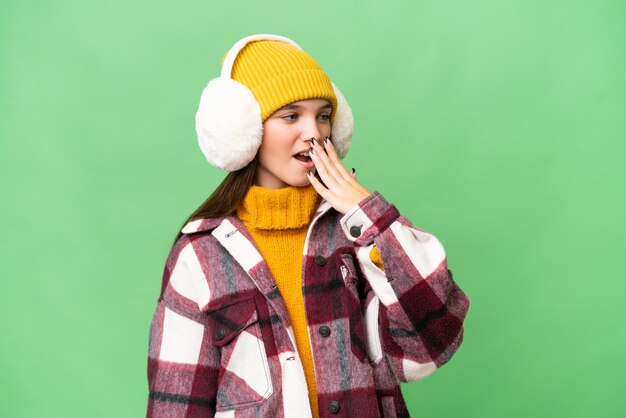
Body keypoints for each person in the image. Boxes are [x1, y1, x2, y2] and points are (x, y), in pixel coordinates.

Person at [146, 34, 470, 418]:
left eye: (323, 115)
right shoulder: (201, 255)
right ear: (245, 131)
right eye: (290, 115)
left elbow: (434, 340)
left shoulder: (357, 237)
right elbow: (176, 406)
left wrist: (367, 212)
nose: (314, 132)